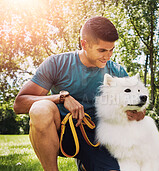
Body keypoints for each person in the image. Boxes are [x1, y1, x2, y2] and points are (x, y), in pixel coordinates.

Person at [13, 16, 144, 171]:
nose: (108, 56)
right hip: (62, 134)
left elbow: (139, 109)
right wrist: (62, 98)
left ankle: (85, 164)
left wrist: (136, 113)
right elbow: (19, 104)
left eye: (111, 50)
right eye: (102, 50)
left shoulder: (117, 72)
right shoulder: (56, 63)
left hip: (99, 138)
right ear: (84, 44)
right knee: (40, 109)